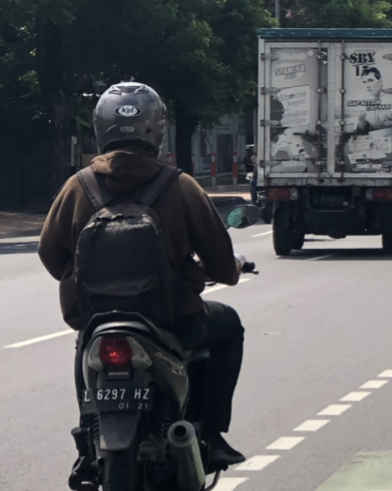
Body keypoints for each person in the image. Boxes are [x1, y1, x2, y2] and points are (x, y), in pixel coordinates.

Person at [38, 82, 249, 478]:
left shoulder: (77, 186)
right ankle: (213, 434)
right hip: (172, 320)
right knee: (229, 326)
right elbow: (223, 268)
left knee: (85, 344)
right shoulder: (181, 186)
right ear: (157, 130)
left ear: (103, 129)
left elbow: (50, 256)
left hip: (97, 321)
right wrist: (215, 271)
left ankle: (88, 440)